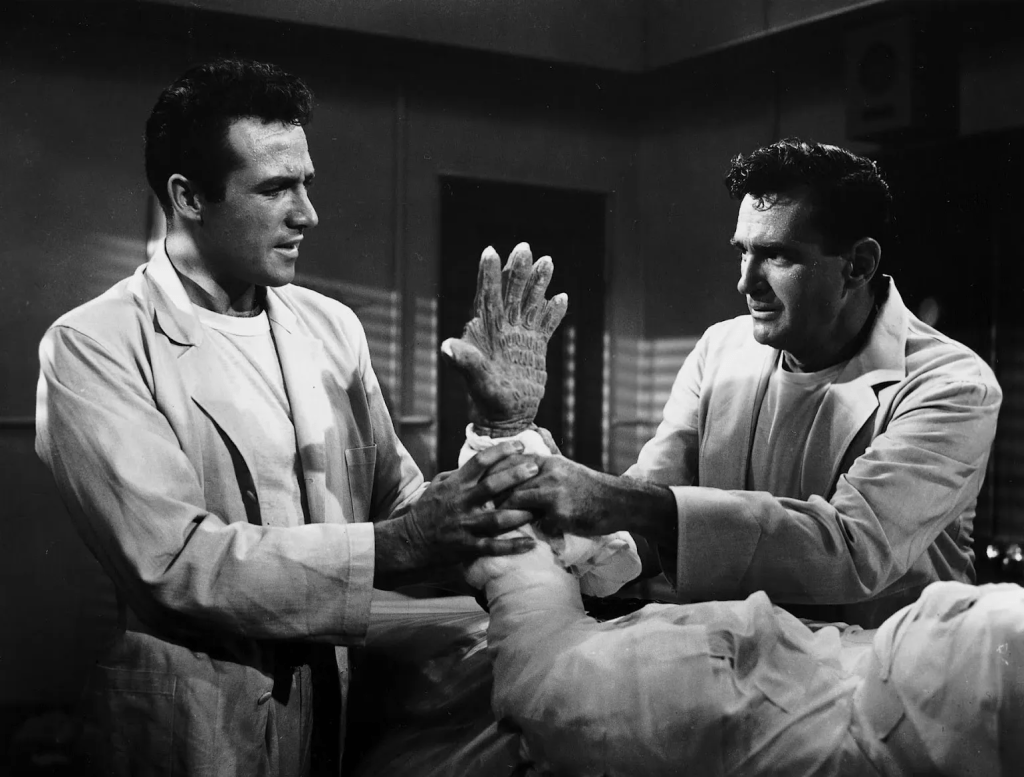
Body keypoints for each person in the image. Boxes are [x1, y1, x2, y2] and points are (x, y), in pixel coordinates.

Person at [34, 58, 539, 777]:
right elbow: (175, 564)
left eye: (306, 183)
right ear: (188, 196)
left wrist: (499, 429)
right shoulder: (95, 344)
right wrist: (398, 542)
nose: (308, 214)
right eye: (276, 188)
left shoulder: (332, 328)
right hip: (195, 725)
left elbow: (405, 506)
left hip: (339, 708)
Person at [506, 138, 1002, 627]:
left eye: (777, 255)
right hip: (736, 658)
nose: (746, 281)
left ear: (858, 265)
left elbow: (852, 550)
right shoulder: (719, 351)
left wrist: (623, 502)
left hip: (883, 667)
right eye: (743, 252)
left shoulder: (951, 385)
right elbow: (649, 520)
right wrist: (534, 470)